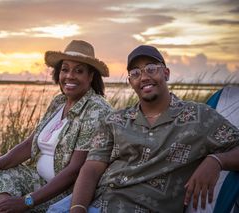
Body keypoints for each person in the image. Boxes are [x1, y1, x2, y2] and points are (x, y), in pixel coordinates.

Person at [47, 45, 239, 213]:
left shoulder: (198, 117)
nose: (144, 77)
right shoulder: (115, 120)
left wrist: (216, 160)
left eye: (151, 69)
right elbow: (91, 168)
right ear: (131, 82)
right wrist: (78, 208)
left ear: (166, 73)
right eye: (136, 73)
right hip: (92, 202)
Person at [0, 40, 112, 212]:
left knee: (10, 198)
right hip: (38, 181)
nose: (69, 76)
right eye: (65, 69)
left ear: (91, 76)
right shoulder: (59, 101)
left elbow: (75, 170)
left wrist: (26, 202)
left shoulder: (97, 109)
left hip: (67, 194)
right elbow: (30, 143)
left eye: (78, 71)